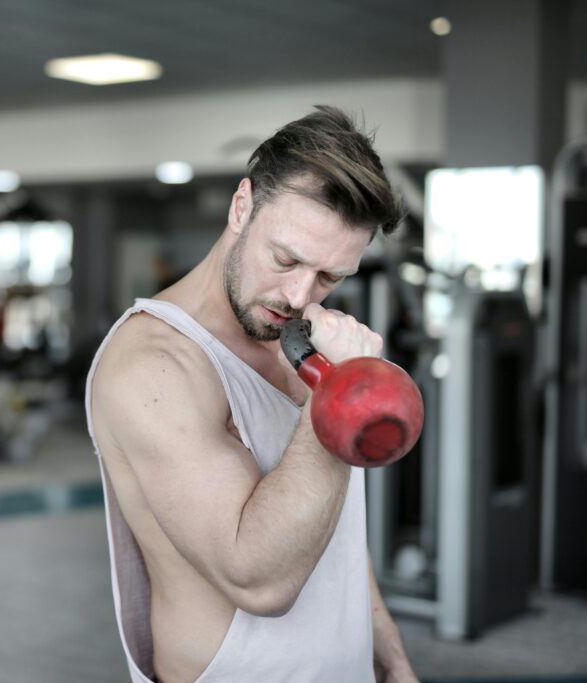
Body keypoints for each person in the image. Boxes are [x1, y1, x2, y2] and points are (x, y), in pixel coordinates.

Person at [86, 106, 418, 683]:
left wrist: (388, 657)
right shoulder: (154, 365)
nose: (298, 294)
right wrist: (334, 401)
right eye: (285, 258)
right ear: (242, 206)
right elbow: (258, 580)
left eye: (330, 276)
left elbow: (331, 531)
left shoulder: (300, 341)